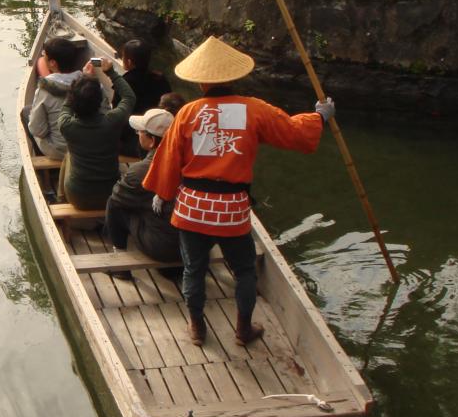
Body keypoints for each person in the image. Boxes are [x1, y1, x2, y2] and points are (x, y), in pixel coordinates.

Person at [142, 37, 334, 347]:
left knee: (193, 268)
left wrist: (163, 193)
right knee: (244, 270)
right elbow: (293, 131)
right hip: (231, 208)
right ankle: (243, 330)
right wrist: (320, 116)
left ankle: (197, 327)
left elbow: (168, 160)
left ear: (202, 81)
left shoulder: (188, 113)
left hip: (193, 207)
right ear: (233, 77)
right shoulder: (254, 109)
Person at [104, 108, 181, 275]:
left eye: (140, 132)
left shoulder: (140, 171)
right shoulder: (191, 160)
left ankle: (120, 265)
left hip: (164, 246)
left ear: (152, 140)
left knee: (114, 204)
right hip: (193, 244)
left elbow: (117, 198)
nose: (138, 134)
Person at [57, 59, 136, 210]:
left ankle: (60, 197)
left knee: (69, 155)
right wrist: (111, 73)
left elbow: (67, 106)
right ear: (100, 100)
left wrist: (81, 80)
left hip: (78, 197)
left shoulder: (66, 125)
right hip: (110, 195)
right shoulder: (113, 121)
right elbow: (129, 97)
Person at [27, 37, 82, 158]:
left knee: (27, 113)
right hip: (88, 146)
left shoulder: (44, 90)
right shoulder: (90, 84)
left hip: (61, 151)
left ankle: (40, 160)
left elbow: (38, 131)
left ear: (53, 63)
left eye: (44, 55)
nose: (43, 57)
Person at [117, 38, 171, 155]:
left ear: (129, 62)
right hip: (158, 135)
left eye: (123, 57)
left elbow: (117, 112)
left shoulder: (125, 82)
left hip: (131, 139)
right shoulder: (160, 79)